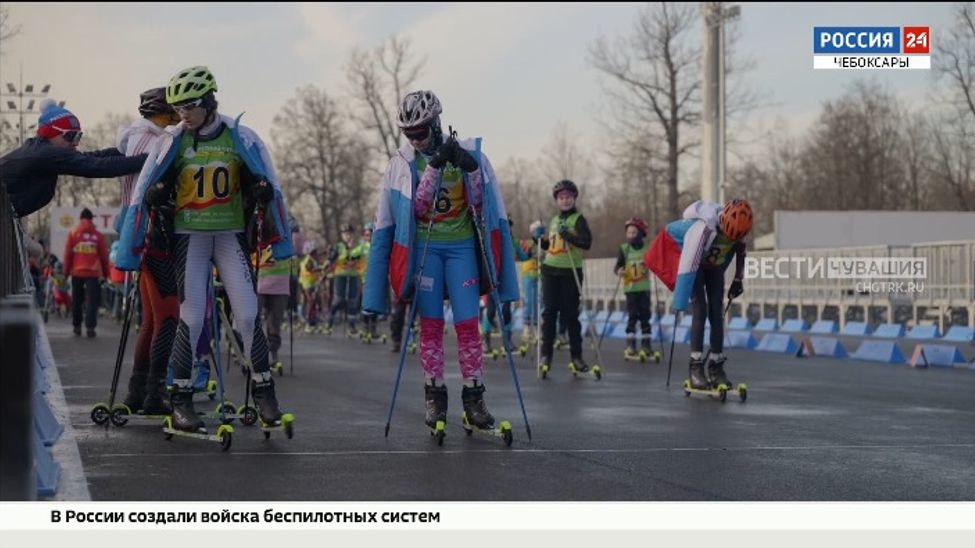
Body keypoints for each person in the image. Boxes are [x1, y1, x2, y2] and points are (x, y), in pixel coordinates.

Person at [114, 66, 293, 432]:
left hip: (228, 235)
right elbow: (143, 190)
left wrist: (261, 192)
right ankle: (180, 400)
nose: (184, 115)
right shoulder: (172, 140)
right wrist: (153, 197)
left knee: (246, 314)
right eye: (178, 108)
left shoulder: (241, 135)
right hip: (188, 238)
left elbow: (269, 183)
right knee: (192, 318)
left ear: (210, 101)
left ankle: (264, 393)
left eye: (191, 106)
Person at [363, 90, 519, 432]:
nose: (415, 139)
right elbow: (418, 209)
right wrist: (433, 168)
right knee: (430, 326)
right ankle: (434, 397)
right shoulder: (403, 163)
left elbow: (480, 202)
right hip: (426, 250)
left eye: (420, 131)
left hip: (461, 247)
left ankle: (474, 399)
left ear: (435, 123)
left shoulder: (470, 151)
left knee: (468, 326)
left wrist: (470, 168)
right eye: (408, 133)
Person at [117, 87, 181, 414]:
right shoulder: (155, 140)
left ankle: (136, 391)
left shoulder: (136, 136)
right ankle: (155, 393)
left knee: (153, 320)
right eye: (176, 110)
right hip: (154, 236)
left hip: (141, 235)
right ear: (165, 112)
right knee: (168, 316)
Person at [644, 199, 751, 389]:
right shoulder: (703, 229)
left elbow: (741, 253)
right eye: (727, 234)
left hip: (713, 263)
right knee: (700, 309)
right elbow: (687, 265)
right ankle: (695, 367)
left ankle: (716, 366)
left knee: (716, 312)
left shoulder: (741, 231)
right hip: (690, 259)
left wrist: (738, 280)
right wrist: (679, 302)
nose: (731, 238)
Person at [0, 100, 147, 218]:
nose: (76, 142)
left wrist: (128, 151)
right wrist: (148, 159)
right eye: (71, 136)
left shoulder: (39, 149)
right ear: (51, 133)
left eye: (79, 135)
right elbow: (97, 166)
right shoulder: (47, 153)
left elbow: (89, 158)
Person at [537, 180, 593, 376]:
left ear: (574, 198)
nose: (565, 200)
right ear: (557, 200)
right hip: (550, 270)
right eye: (561, 197)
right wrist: (540, 239)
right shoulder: (553, 220)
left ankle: (576, 357)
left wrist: (570, 236)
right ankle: (546, 355)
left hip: (570, 271)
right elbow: (549, 246)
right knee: (549, 314)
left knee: (570, 315)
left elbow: (586, 243)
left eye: (568, 197)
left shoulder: (578, 219)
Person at [64, 208, 110, 337]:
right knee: (92, 301)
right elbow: (104, 257)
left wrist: (66, 272)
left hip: (76, 272)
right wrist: (106, 274)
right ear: (91, 219)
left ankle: (77, 326)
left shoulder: (73, 234)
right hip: (93, 274)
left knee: (76, 301)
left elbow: (68, 255)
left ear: (80, 219)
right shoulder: (98, 235)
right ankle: (90, 328)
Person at [614, 217, 653, 359]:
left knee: (645, 316)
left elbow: (653, 262)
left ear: (641, 234)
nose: (630, 236)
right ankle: (631, 344)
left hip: (644, 288)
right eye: (628, 233)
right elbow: (617, 267)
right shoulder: (624, 249)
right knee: (632, 316)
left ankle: (646, 345)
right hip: (631, 289)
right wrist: (620, 271)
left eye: (634, 233)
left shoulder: (647, 248)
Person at [326, 224, 365, 335]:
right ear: (342, 235)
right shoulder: (339, 246)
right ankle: (330, 320)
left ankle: (351, 325)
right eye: (345, 234)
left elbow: (360, 258)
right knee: (339, 299)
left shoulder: (358, 247)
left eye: (350, 234)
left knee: (352, 300)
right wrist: (328, 261)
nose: (348, 236)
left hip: (352, 275)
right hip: (340, 275)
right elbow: (332, 257)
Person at [299, 241, 323, 330]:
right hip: (307, 284)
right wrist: (320, 269)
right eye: (314, 252)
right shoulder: (308, 260)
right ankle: (308, 321)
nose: (316, 253)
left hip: (312, 283)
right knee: (310, 301)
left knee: (315, 300)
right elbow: (310, 269)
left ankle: (313, 320)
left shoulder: (313, 259)